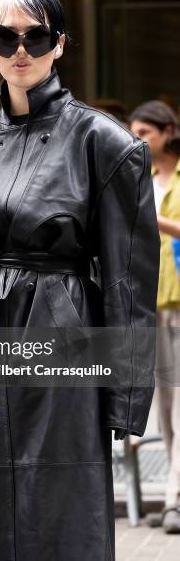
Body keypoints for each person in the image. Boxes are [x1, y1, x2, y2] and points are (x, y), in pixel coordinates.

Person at [0, 0, 159, 560]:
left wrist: (125, 391)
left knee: (54, 496)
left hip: (61, 329)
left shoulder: (106, 143)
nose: (20, 49)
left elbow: (127, 277)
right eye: (6, 36)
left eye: (36, 35)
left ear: (60, 43)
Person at [130, 100, 180, 534]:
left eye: (145, 132)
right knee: (163, 410)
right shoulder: (136, 179)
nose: (139, 140)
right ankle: (174, 495)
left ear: (167, 132)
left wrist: (155, 220)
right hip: (151, 302)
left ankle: (172, 501)